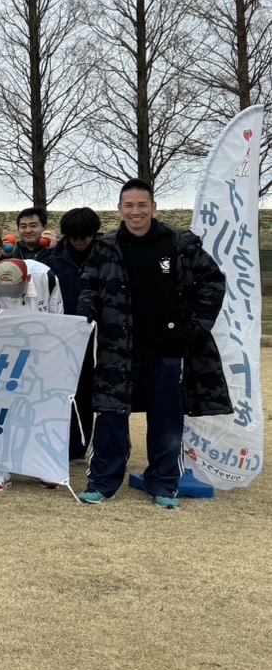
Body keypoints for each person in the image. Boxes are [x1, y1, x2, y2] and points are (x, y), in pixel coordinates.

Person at [76, 179, 230, 509]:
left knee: (166, 421)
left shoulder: (180, 243)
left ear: (153, 208)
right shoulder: (105, 246)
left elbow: (213, 283)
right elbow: (89, 285)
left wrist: (196, 326)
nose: (136, 212)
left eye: (142, 205)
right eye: (129, 206)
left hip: (168, 351)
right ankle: (102, 483)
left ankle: (163, 483)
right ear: (120, 210)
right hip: (117, 350)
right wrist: (87, 310)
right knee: (110, 417)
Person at [0, 258, 65, 493]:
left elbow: (58, 320)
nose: (9, 295)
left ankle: (42, 466)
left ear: (27, 280)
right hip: (4, 358)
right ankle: (1, 468)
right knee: (3, 412)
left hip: (42, 356)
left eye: (14, 289)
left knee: (42, 411)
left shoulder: (47, 277)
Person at [52, 207, 102, 462]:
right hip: (63, 334)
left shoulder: (106, 254)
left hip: (98, 335)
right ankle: (64, 442)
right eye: (74, 236)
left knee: (88, 391)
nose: (79, 241)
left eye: (85, 236)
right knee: (61, 390)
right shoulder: (53, 259)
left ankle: (83, 445)